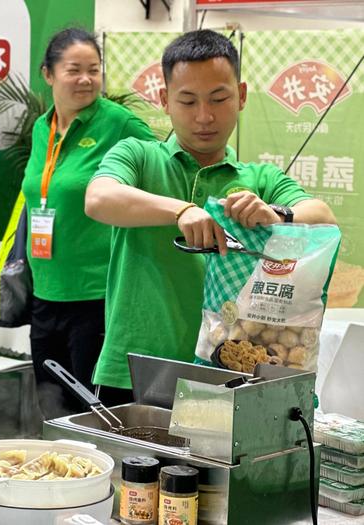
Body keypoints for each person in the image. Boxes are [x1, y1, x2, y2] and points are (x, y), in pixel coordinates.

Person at [85, 29, 336, 394]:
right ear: (164, 100)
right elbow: (99, 198)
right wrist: (182, 210)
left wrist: (276, 213)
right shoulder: (138, 155)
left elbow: (322, 216)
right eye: (187, 101)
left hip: (231, 374)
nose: (204, 116)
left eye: (219, 98)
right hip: (135, 369)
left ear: (242, 96)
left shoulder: (259, 178)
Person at [21, 28, 156, 419]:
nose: (85, 79)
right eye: (74, 70)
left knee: (93, 414)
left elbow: (166, 166)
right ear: (48, 74)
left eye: (94, 70)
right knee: (52, 408)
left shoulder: (118, 124)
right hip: (45, 294)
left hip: (96, 297)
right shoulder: (41, 129)